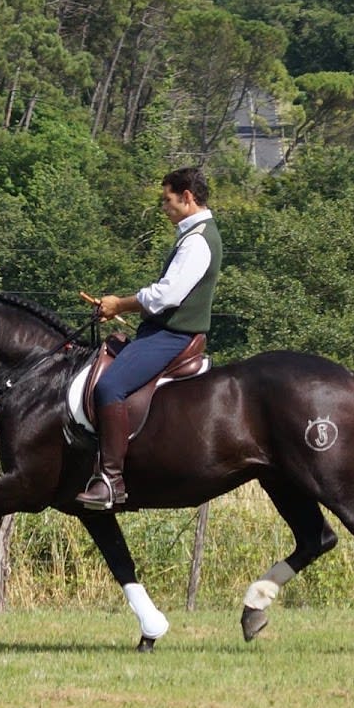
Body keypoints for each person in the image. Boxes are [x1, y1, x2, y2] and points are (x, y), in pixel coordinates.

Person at [76, 166, 222, 510]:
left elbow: (165, 297)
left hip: (172, 335)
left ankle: (111, 480)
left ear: (187, 198)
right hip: (163, 331)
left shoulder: (198, 241)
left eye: (167, 200)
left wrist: (118, 303)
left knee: (109, 388)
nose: (164, 207)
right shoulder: (193, 234)